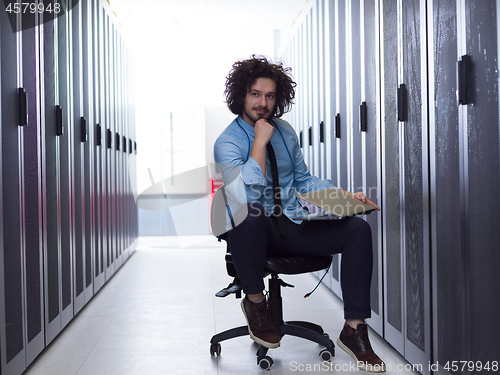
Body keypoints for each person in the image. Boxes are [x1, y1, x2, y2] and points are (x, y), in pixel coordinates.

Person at [213, 55, 385, 372]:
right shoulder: (228, 141)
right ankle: (255, 304)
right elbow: (244, 193)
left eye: (270, 95)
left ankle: (354, 329)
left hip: (291, 227)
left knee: (357, 230)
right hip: (252, 234)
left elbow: (303, 180)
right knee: (246, 212)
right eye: (255, 94)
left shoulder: (286, 131)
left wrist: (343, 198)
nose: (262, 102)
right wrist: (260, 144)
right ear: (241, 95)